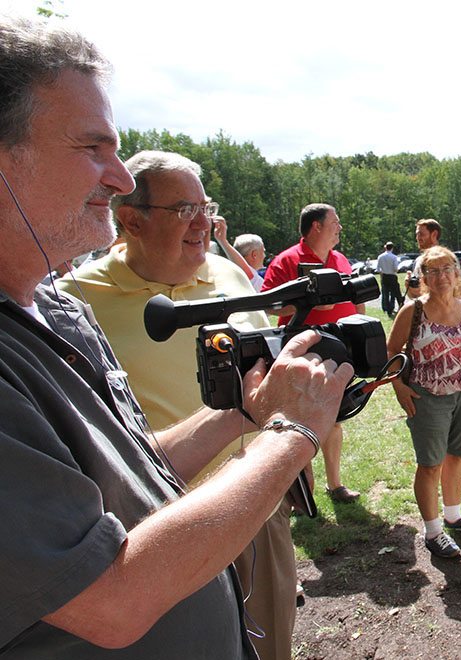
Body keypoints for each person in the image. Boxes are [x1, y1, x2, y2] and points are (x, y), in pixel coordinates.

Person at [0, 18, 350, 658]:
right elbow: (110, 601)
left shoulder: (55, 312)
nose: (120, 178)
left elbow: (136, 470)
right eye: (91, 148)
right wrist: (290, 435)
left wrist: (240, 415)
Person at [57, 150, 296, 660]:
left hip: (257, 504)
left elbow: (266, 376)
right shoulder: (74, 300)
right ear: (130, 220)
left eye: (206, 208)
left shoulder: (232, 279)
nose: (203, 225)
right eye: (184, 210)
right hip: (153, 531)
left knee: (273, 644)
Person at [386, 246, 461, 558]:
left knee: (456, 456)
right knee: (430, 463)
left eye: (447, 268)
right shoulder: (413, 311)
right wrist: (398, 387)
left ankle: (453, 516)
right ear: (423, 277)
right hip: (428, 397)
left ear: (456, 272)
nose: (441, 276)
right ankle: (433, 532)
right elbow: (390, 351)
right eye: (432, 271)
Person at [262, 203, 364, 504]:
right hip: (301, 352)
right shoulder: (286, 260)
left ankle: (335, 485)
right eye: (335, 221)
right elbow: (269, 305)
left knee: (334, 417)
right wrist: (306, 305)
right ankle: (304, 489)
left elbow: (356, 298)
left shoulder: (340, 259)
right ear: (316, 226)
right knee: (299, 421)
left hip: (340, 349)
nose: (340, 226)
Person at [213, 216, 265, 291]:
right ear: (254, 255)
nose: (264, 256)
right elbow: (245, 271)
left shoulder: (224, 273)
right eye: (263, 252)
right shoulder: (255, 281)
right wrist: (223, 241)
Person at [377, 241, 401, 317]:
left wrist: (382, 272)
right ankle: (393, 307)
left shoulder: (380, 257)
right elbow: (395, 269)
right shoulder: (394, 257)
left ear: (385, 247)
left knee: (385, 293)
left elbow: (378, 269)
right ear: (392, 248)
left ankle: (386, 309)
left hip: (384, 276)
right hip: (392, 276)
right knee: (394, 293)